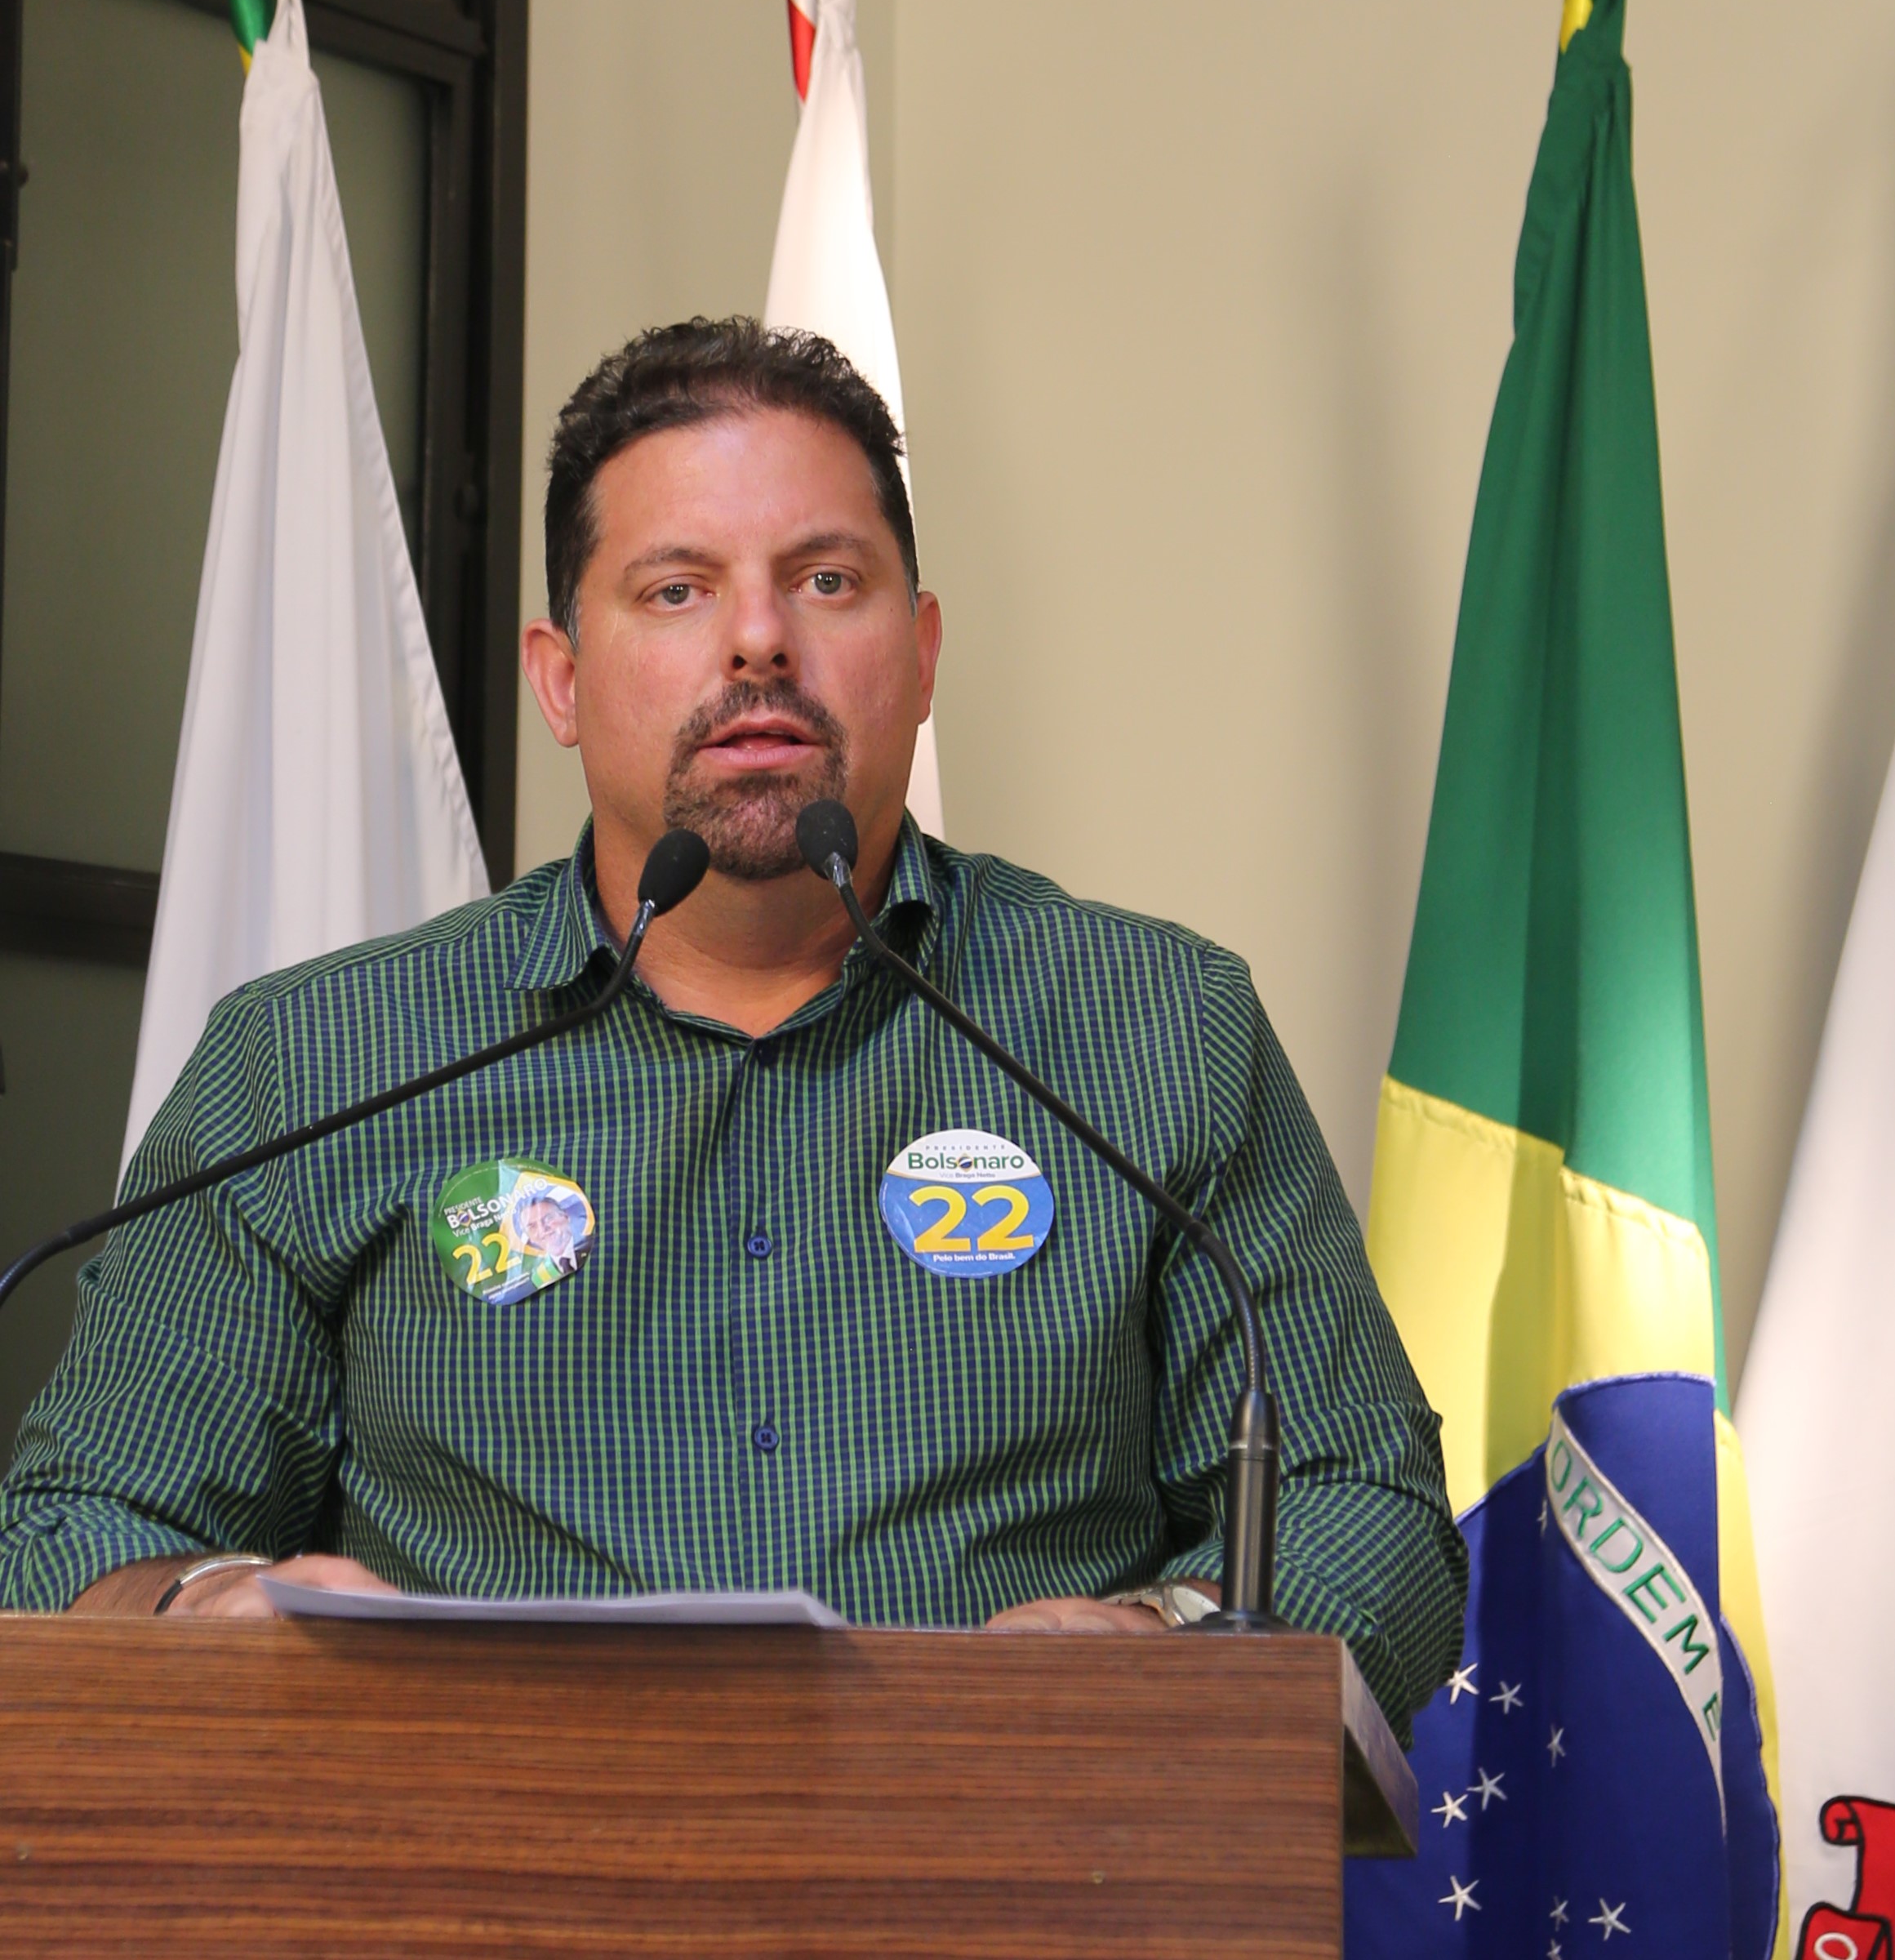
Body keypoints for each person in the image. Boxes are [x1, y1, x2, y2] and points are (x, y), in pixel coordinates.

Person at [0, 318, 1465, 1739]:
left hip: (1015, 1848)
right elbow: (80, 1521)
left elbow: (1367, 1511)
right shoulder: (317, 1061)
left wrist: (1161, 1642)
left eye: (826, 580)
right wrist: (198, 1607)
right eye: (676, 591)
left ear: (923, 653)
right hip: (479, 1852)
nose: (760, 639)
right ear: (561, 679)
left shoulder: (1154, 1031)